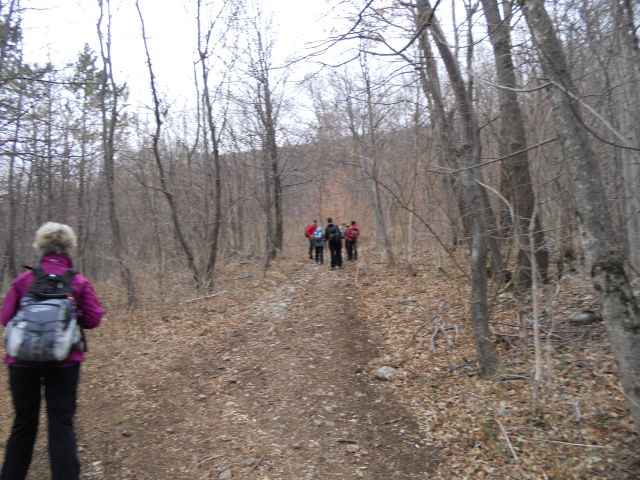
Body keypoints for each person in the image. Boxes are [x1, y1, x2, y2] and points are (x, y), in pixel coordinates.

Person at [0, 222, 105, 480]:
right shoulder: (77, 281)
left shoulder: (25, 280)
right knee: (61, 424)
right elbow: (93, 319)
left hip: (22, 363)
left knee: (24, 425)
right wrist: (73, 313)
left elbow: (5, 317)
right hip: (65, 362)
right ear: (68, 247)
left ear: (41, 247)